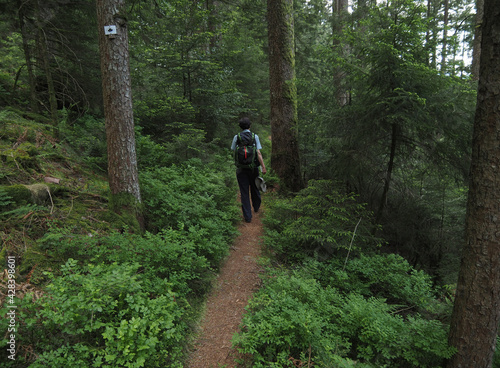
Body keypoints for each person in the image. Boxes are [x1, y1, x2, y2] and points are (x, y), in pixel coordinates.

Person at [231, 117, 267, 223]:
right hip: (253, 168)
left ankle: (247, 216)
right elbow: (258, 153)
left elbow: (233, 150)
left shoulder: (236, 137)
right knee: (255, 188)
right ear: (250, 126)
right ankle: (256, 207)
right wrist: (263, 167)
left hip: (241, 169)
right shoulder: (254, 136)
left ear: (240, 127)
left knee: (244, 192)